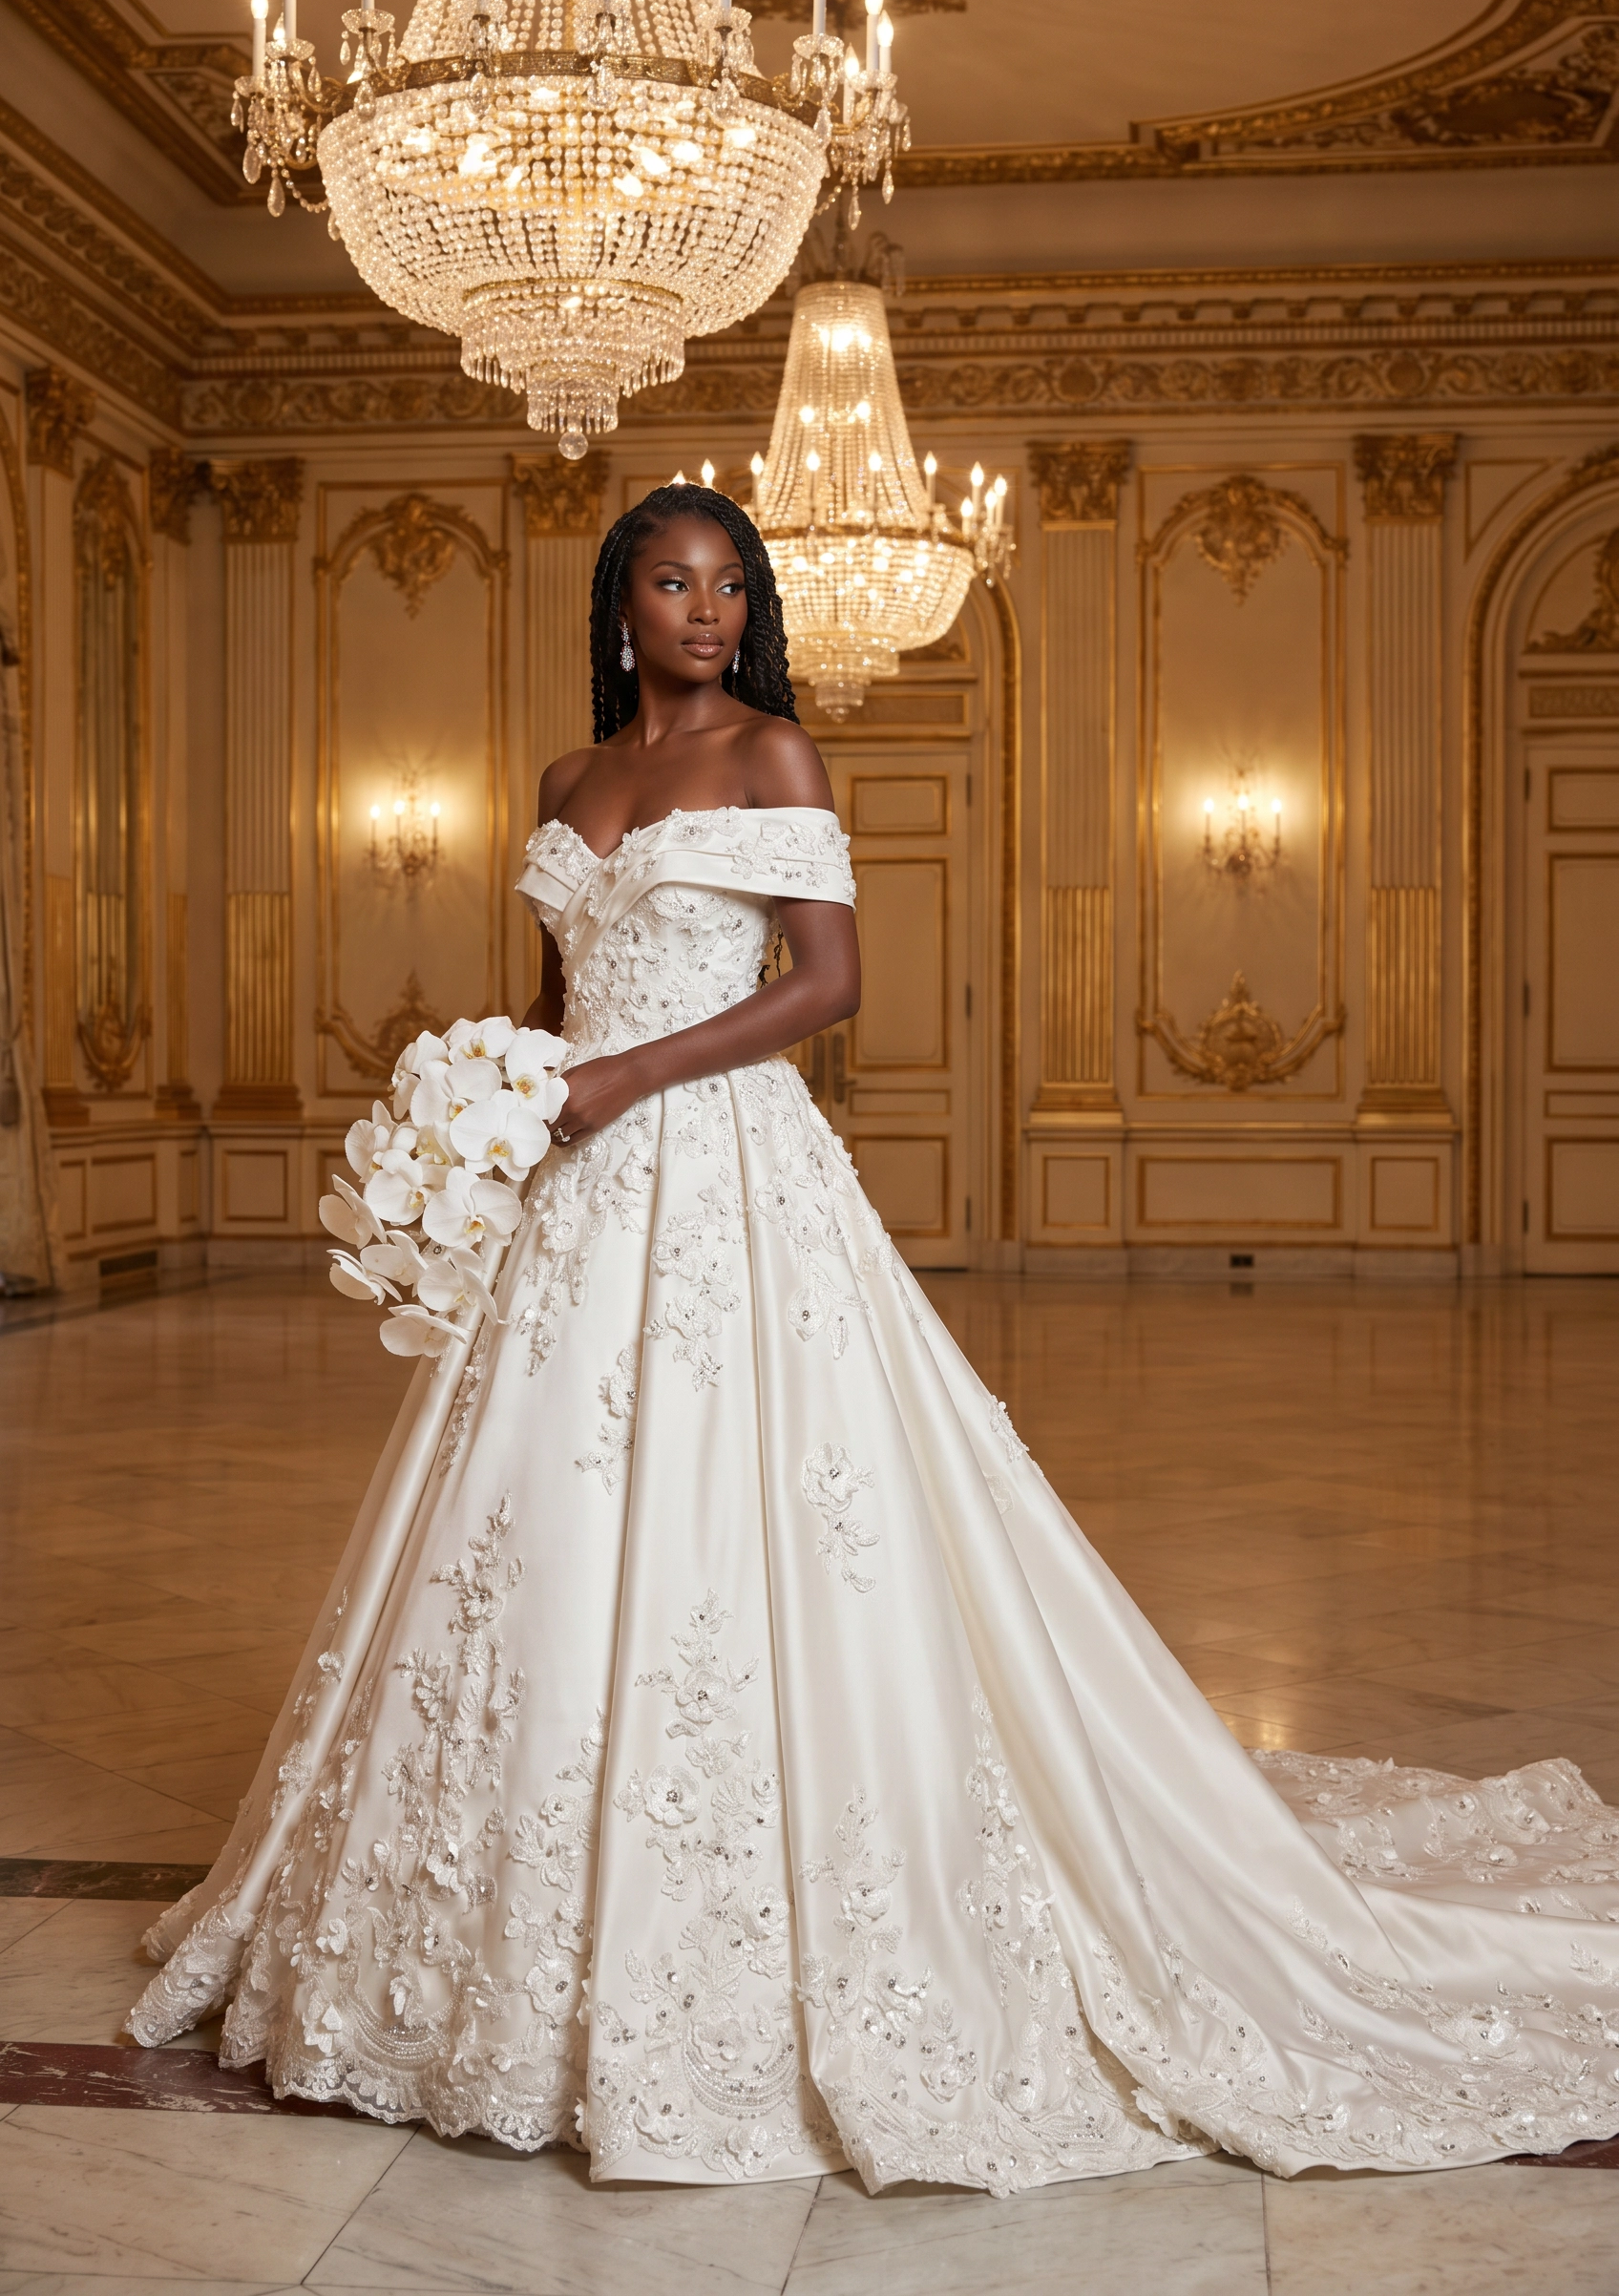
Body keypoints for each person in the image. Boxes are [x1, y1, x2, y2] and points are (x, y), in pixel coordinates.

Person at [130, 483, 1619, 2193]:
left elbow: (828, 985)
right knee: (529, 1520)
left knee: (765, 1503)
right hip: (581, 1188)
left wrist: (624, 1076)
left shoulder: (773, 756)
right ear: (620, 609)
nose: (706, 608)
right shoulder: (567, 782)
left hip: (724, 1163)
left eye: (728, 585)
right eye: (671, 583)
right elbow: (560, 995)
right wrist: (517, 1091)